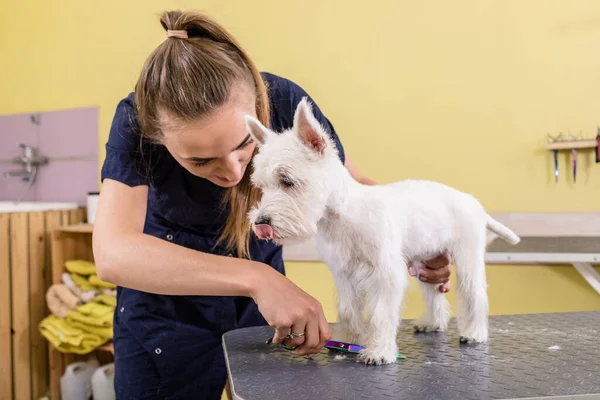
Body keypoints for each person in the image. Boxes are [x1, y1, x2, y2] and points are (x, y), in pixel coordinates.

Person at [92, 9, 452, 400]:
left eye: (244, 145)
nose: (232, 172)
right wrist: (259, 279)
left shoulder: (284, 102)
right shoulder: (134, 122)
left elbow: (351, 188)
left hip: (262, 310)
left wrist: (411, 241)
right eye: (200, 161)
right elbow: (114, 254)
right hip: (166, 313)